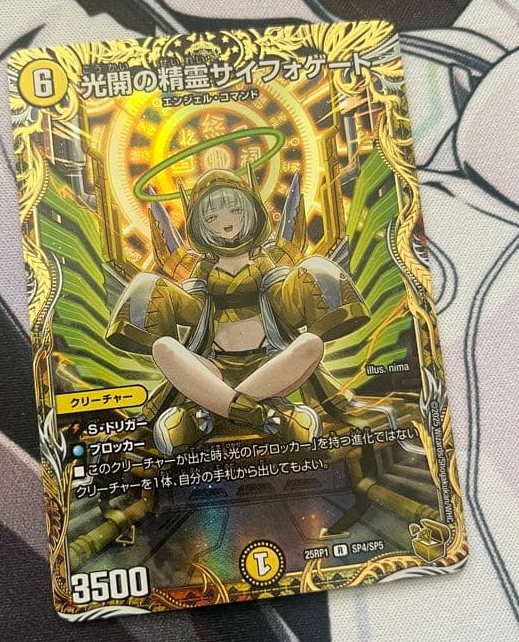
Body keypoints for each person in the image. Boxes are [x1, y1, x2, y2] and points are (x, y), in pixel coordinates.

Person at [106, 166, 369, 452]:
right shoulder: (202, 269)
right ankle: (268, 417)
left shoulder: (265, 262)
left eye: (235, 211)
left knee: (310, 344)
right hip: (214, 368)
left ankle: (209, 412)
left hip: (269, 366)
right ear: (200, 225)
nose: (225, 222)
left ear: (251, 212)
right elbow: (193, 313)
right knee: (164, 348)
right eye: (212, 217)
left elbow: (286, 307)